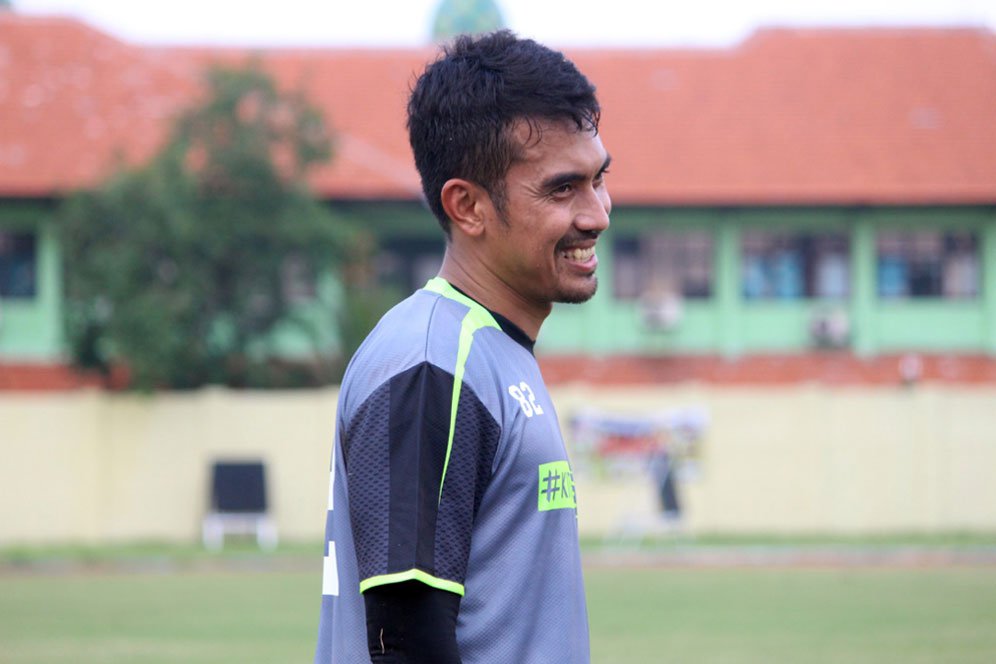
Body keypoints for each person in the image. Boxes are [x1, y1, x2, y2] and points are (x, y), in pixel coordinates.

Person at [314, 30, 611, 664]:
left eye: (598, 179)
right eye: (562, 189)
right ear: (468, 206)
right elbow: (405, 640)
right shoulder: (432, 365)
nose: (597, 214)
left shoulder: (491, 354)